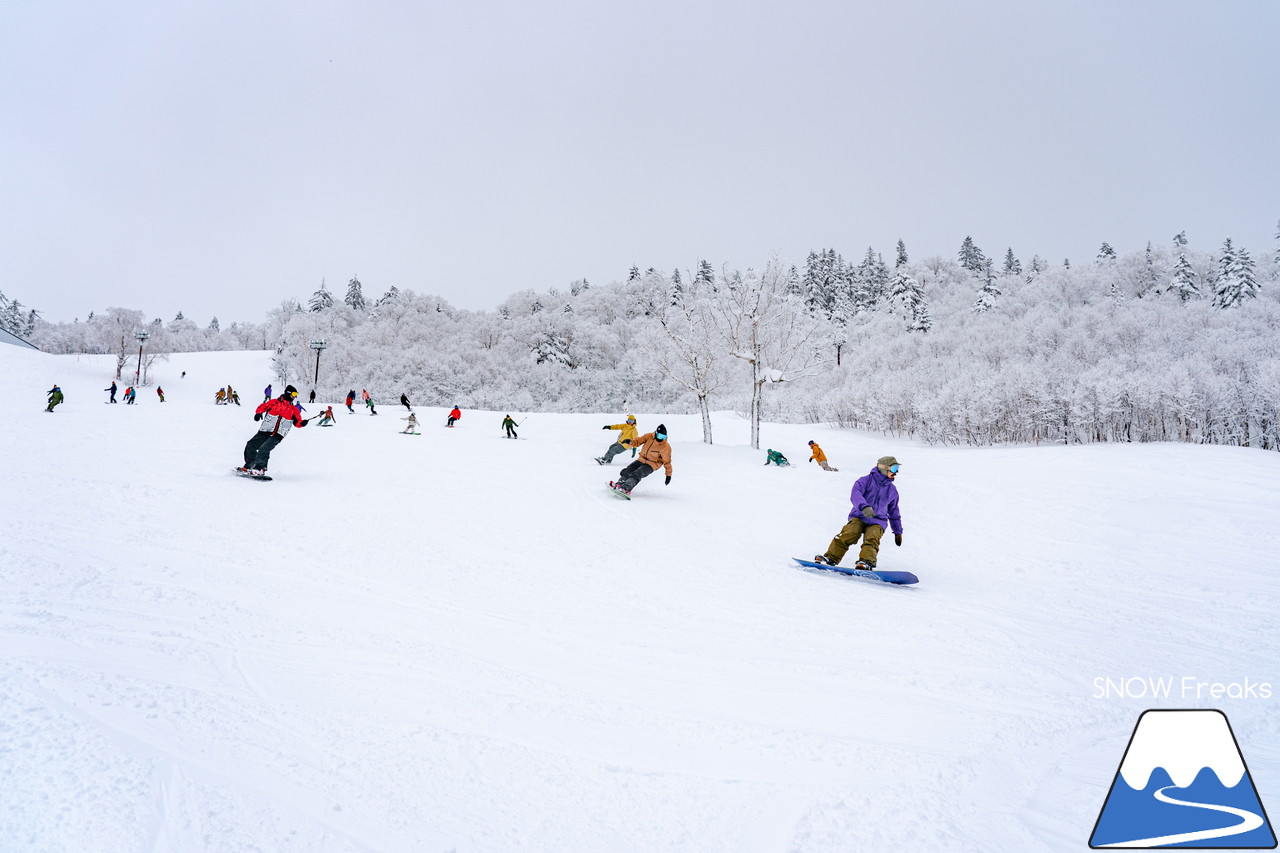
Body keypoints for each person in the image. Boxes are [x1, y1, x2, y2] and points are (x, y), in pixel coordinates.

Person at [814, 456, 903, 570]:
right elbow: (855, 495)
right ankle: (831, 558)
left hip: (878, 521)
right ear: (884, 468)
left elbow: (894, 511)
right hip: (859, 516)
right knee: (849, 533)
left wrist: (897, 531)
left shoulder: (892, 490)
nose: (897, 472)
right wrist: (864, 507)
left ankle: (866, 562)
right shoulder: (865, 481)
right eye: (894, 468)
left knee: (872, 539)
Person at [239, 385, 309, 475]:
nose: (295, 396)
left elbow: (297, 422)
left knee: (264, 449)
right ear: (288, 393)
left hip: (278, 434)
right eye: (294, 394)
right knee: (251, 445)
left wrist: (302, 423)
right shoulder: (274, 402)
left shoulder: (293, 410)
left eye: (296, 394)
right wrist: (258, 413)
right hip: (265, 431)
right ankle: (249, 465)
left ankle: (260, 469)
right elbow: (262, 407)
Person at [610, 423, 673, 495]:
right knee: (628, 470)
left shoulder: (666, 447)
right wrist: (630, 442)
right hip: (642, 459)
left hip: (652, 464)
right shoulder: (649, 436)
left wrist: (668, 475)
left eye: (663, 437)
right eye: (660, 436)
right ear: (656, 433)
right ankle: (620, 483)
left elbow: (667, 462)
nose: (661, 438)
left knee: (637, 473)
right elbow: (638, 441)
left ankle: (626, 488)